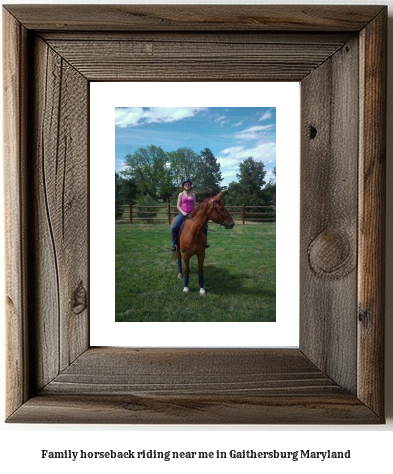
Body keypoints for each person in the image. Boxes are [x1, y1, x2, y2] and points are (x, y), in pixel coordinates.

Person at [171, 178, 208, 251]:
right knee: (174, 227)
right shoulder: (180, 194)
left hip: (192, 214)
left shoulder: (193, 194)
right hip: (183, 213)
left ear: (190, 185)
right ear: (183, 186)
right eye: (186, 184)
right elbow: (178, 205)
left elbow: (194, 205)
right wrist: (183, 212)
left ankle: (204, 243)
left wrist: (197, 212)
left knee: (205, 225)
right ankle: (174, 244)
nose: (187, 185)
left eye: (188, 184)